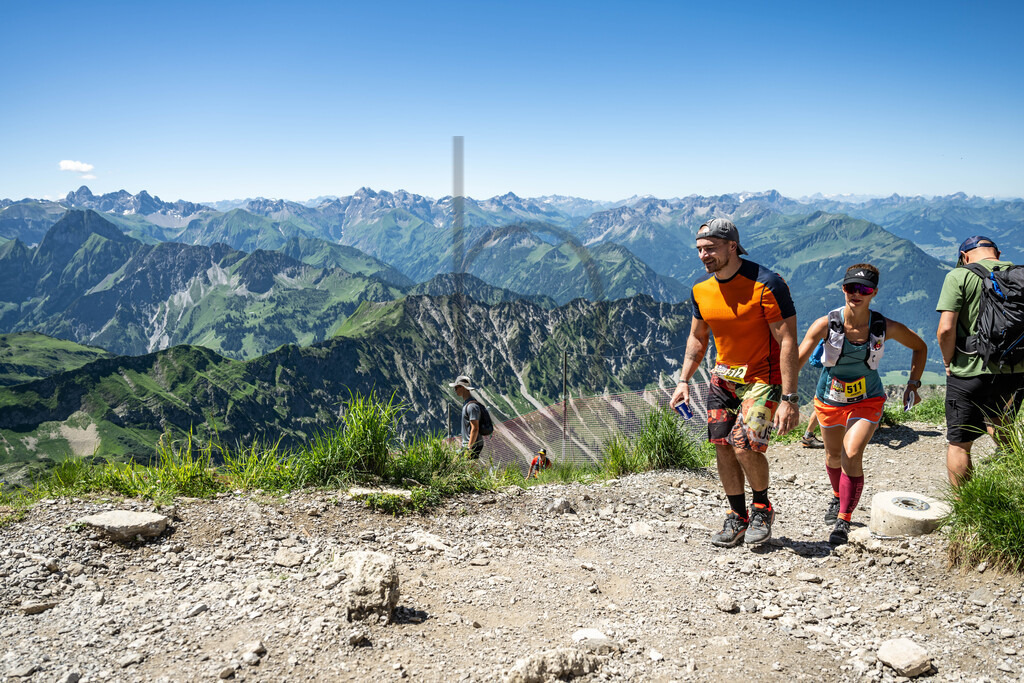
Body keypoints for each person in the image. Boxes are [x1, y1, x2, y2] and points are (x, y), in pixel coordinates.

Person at [671, 218, 800, 548]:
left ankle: (762, 508)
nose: (704, 256)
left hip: (763, 380)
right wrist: (683, 380)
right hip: (722, 380)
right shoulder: (702, 290)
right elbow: (698, 339)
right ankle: (737, 515)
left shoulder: (767, 284)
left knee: (744, 445)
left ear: (732, 246)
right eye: (700, 250)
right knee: (723, 446)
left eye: (711, 248)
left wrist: (790, 397)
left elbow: (787, 340)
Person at [797, 263, 928, 545]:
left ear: (874, 293)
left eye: (864, 289)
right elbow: (796, 359)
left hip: (868, 399)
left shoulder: (884, 327)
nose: (856, 294)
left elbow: (920, 346)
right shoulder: (825, 324)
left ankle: (843, 518)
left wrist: (913, 385)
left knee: (851, 452)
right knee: (832, 456)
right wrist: (782, 395)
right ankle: (837, 496)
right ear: (843, 288)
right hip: (829, 399)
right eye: (850, 288)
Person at [936, 236, 1024, 485]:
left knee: (959, 443)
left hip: (970, 368)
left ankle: (965, 508)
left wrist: (947, 361)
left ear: (964, 257)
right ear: (997, 252)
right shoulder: (1019, 273)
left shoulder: (959, 276)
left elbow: (945, 330)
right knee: (1000, 418)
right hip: (1015, 368)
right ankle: (1016, 475)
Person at [450, 375, 485, 459]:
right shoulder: (467, 403)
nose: (455, 390)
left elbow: (475, 428)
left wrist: (469, 448)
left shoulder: (471, 406)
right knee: (469, 468)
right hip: (469, 444)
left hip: (472, 445)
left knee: (470, 468)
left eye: (456, 388)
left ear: (462, 387)